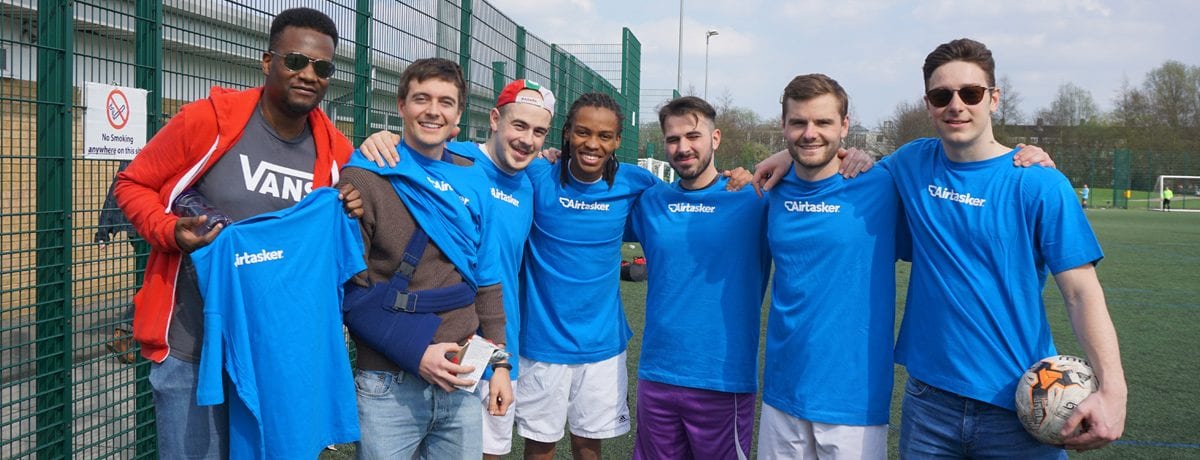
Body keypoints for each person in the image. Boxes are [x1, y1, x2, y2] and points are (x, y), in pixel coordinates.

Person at [114, 8, 357, 458]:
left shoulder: (337, 152)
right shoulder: (208, 121)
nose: (309, 75)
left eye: (323, 68)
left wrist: (356, 199)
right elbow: (132, 183)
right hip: (193, 347)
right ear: (268, 62)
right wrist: (170, 231)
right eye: (295, 62)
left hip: (276, 352)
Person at [886, 38, 1125, 457]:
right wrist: (783, 158)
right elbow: (834, 162)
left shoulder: (1040, 182)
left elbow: (1081, 291)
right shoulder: (910, 163)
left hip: (1024, 403)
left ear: (994, 99)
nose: (956, 105)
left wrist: (1114, 389)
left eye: (971, 93)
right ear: (928, 104)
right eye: (942, 96)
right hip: (928, 404)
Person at [356, 78, 556, 459]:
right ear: (494, 119)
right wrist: (380, 137)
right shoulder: (458, 158)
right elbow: (420, 139)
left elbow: (491, 276)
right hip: (424, 343)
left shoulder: (532, 177)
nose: (527, 140)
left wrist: (500, 360)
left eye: (538, 131)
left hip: (489, 352)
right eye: (518, 125)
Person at [339, 57, 512, 459]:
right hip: (388, 383)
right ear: (401, 106)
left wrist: (500, 365)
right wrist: (416, 352)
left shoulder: (474, 179)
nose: (433, 110)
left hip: (462, 377)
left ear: (458, 113)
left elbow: (486, 279)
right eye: (422, 98)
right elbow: (349, 289)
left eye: (445, 102)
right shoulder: (366, 176)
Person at [757, 74, 906, 459]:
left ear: (844, 125)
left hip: (853, 400)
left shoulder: (883, 185)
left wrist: (1025, 154)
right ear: (783, 126)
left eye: (823, 122)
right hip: (781, 393)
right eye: (798, 122)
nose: (810, 133)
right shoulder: (771, 189)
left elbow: (954, 158)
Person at [625, 96, 771, 459]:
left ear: (715, 138)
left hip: (723, 379)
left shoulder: (754, 199)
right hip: (657, 373)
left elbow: (810, 176)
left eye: (693, 136)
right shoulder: (651, 201)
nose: (683, 147)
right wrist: (554, 159)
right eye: (673, 139)